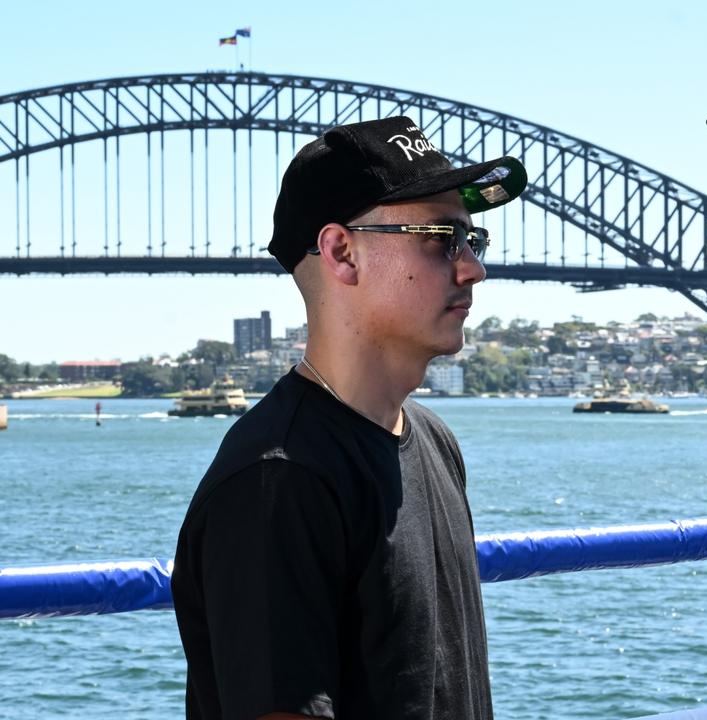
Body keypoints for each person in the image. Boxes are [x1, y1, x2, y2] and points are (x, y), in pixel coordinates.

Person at [171, 116, 526, 719]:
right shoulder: (279, 482)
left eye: (474, 241)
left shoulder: (434, 440)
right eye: (442, 238)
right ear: (342, 252)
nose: (473, 268)